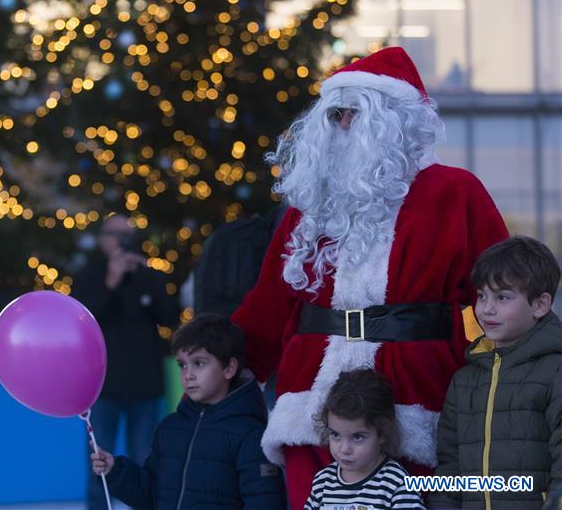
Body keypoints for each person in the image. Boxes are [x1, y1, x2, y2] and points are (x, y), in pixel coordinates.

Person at [230, 46, 509, 509]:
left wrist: (513, 364)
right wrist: (230, 363)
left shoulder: (454, 192)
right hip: (311, 399)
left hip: (416, 394)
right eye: (335, 114)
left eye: (355, 114)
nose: (342, 126)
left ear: (394, 119)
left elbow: (502, 290)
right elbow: (271, 302)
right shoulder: (310, 203)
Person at [91, 313, 286, 509]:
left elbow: (263, 501)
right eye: (182, 365)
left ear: (229, 368)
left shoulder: (250, 434)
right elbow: (152, 495)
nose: (188, 375)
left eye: (199, 363)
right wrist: (115, 471)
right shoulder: (170, 428)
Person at [430, 236, 562, 510]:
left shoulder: (555, 371)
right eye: (481, 296)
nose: (486, 309)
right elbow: (449, 467)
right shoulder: (464, 380)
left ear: (540, 304)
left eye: (502, 297)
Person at [72, 213, 180, 510]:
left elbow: (170, 318)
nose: (123, 243)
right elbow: (82, 320)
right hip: (101, 386)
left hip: (145, 384)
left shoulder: (149, 276)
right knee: (98, 461)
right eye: (116, 236)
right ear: (102, 239)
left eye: (128, 237)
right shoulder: (89, 276)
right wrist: (111, 280)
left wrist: (148, 279)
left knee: (145, 458)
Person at [306, 369, 425, 509]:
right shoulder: (323, 481)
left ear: (381, 433)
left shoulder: (395, 482)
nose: (344, 449)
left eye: (357, 437)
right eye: (335, 435)